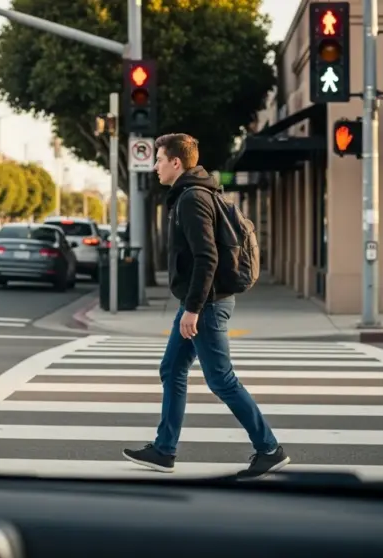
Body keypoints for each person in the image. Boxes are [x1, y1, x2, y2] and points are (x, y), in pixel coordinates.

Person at [121, 133, 289, 478]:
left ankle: (269, 448)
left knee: (221, 380)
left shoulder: (192, 198)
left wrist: (194, 309)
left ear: (176, 162)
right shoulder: (196, 192)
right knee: (172, 369)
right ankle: (163, 451)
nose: (155, 167)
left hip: (207, 304)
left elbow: (206, 257)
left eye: (159, 159)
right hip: (199, 302)